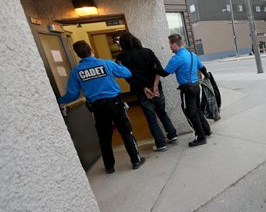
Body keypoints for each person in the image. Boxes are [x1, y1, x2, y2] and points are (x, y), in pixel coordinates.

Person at [58, 40, 145, 174]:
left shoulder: (76, 71)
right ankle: (135, 160)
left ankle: (109, 167)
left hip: (97, 108)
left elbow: (72, 94)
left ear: (78, 55)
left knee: (104, 138)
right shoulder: (106, 63)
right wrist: (119, 65)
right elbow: (127, 74)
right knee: (126, 132)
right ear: (91, 49)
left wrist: (58, 100)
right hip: (115, 103)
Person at [117, 32, 177, 152]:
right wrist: (155, 86)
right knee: (162, 113)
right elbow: (158, 69)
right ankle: (172, 135)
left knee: (151, 118)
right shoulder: (147, 52)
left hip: (142, 92)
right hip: (156, 89)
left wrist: (144, 88)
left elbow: (128, 77)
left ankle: (161, 144)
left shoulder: (122, 57)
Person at [164, 34, 211, 147]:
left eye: (170, 45)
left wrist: (153, 69)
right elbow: (203, 68)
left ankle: (200, 137)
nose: (170, 47)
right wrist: (206, 76)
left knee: (190, 112)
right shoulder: (192, 54)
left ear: (175, 44)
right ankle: (206, 130)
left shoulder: (177, 58)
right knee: (198, 110)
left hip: (187, 89)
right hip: (196, 86)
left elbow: (164, 73)